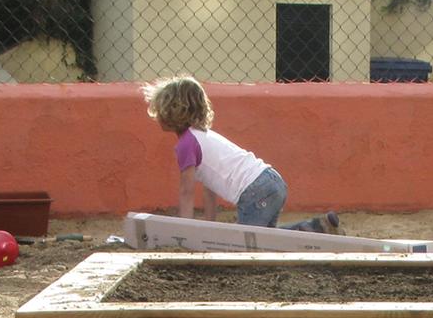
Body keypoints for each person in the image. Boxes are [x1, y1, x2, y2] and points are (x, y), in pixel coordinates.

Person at [142, 77, 337, 234]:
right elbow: (210, 187)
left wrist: (184, 233)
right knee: (268, 241)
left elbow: (187, 192)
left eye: (160, 109)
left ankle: (314, 230)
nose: (157, 115)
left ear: (173, 112)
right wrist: (210, 225)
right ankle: (316, 228)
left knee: (246, 245)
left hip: (255, 191)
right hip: (271, 181)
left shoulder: (186, 144)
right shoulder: (202, 136)